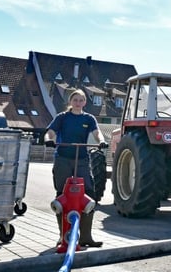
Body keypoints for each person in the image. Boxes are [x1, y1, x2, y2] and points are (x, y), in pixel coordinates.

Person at [44, 88, 108, 248]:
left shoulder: (89, 118)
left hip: (82, 160)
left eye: (81, 100)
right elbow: (50, 132)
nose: (78, 103)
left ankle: (86, 237)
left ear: (85, 102)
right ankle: (63, 236)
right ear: (70, 102)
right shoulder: (62, 117)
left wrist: (101, 141)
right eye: (75, 100)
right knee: (62, 195)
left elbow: (97, 132)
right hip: (63, 159)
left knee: (89, 194)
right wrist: (48, 139)